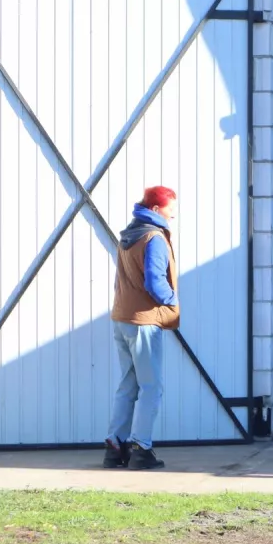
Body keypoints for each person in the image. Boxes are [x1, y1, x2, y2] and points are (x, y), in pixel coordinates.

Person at [104, 186, 180, 470]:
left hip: (121, 318)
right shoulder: (154, 237)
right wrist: (172, 300)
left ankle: (115, 447)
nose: (174, 213)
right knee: (151, 387)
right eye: (172, 207)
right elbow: (155, 282)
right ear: (158, 209)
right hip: (143, 322)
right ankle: (141, 448)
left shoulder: (129, 234)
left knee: (128, 384)